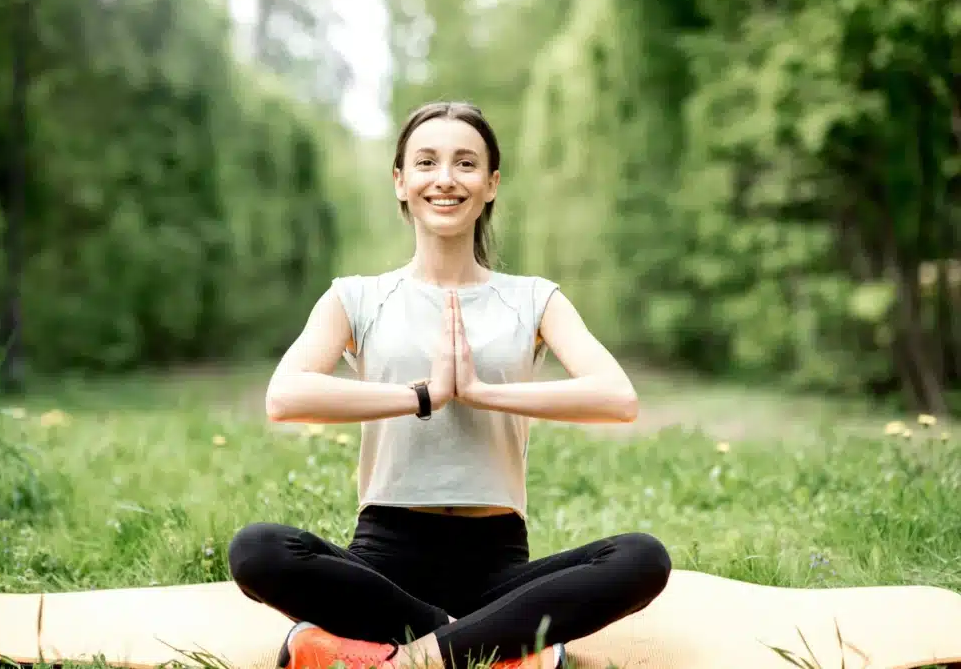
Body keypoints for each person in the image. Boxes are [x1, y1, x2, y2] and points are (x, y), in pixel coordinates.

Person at [227, 101, 671, 669]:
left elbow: (618, 398)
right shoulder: (355, 296)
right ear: (400, 181)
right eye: (426, 162)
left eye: (465, 164)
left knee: (642, 558)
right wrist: (424, 396)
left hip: (499, 561)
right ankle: (491, 648)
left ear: (491, 185)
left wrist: (481, 391)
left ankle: (398, 656)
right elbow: (285, 396)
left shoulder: (534, 297)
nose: (445, 179)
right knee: (258, 549)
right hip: (384, 558)